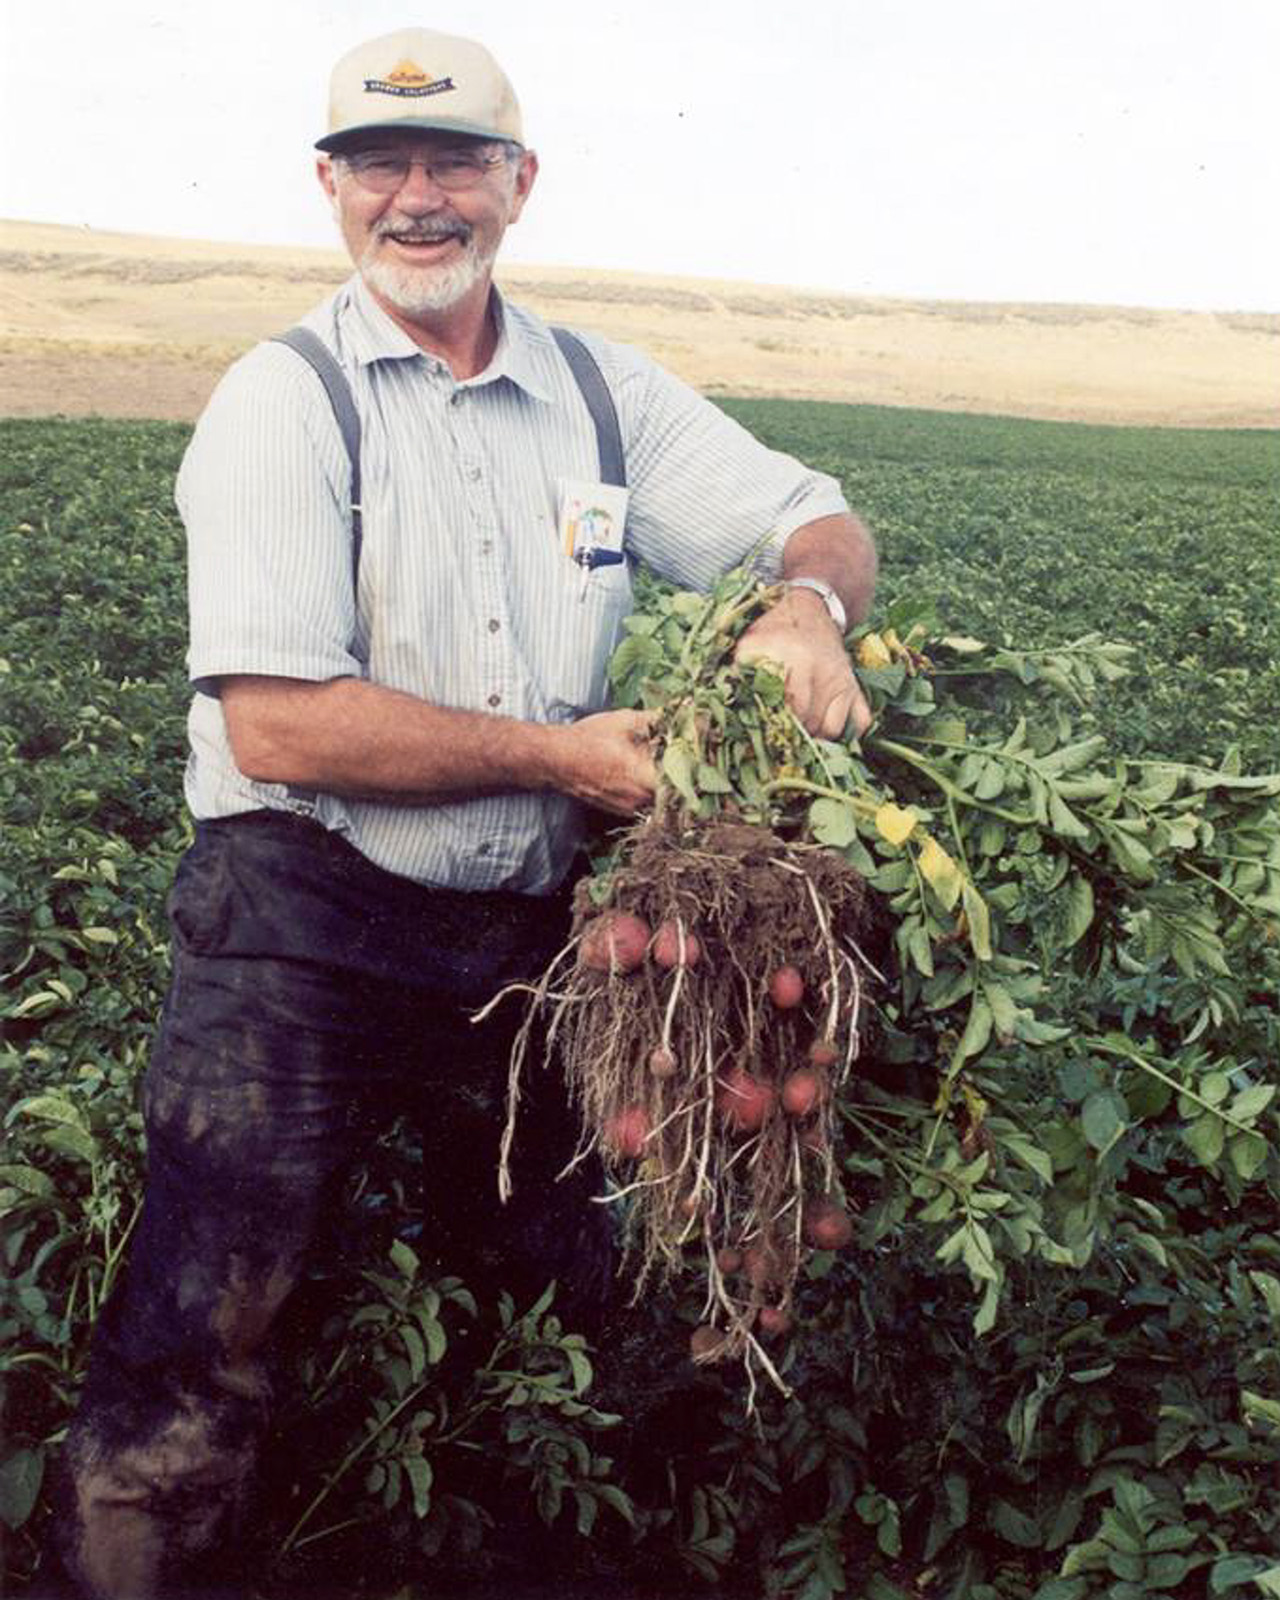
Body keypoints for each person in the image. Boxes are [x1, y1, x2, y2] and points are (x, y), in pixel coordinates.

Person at [53, 25, 877, 1599]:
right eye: (382, 168)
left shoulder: (596, 392)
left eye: (453, 165)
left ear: (518, 183)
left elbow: (812, 518)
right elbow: (279, 719)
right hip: (300, 914)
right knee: (203, 1322)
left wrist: (807, 613)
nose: (417, 200)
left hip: (528, 941)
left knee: (549, 1303)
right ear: (331, 190)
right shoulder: (284, 401)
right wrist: (563, 759)